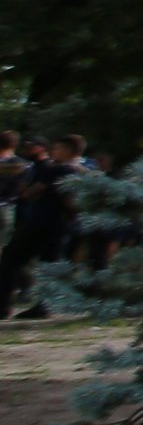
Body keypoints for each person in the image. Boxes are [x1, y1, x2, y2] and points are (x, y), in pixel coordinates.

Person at [2, 135, 81, 321]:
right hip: (62, 225)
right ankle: (44, 306)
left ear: (68, 150)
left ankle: (2, 306)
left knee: (10, 258)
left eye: (57, 148)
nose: (53, 151)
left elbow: (31, 192)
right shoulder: (80, 171)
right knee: (50, 265)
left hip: (41, 222)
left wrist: (24, 189)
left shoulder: (55, 170)